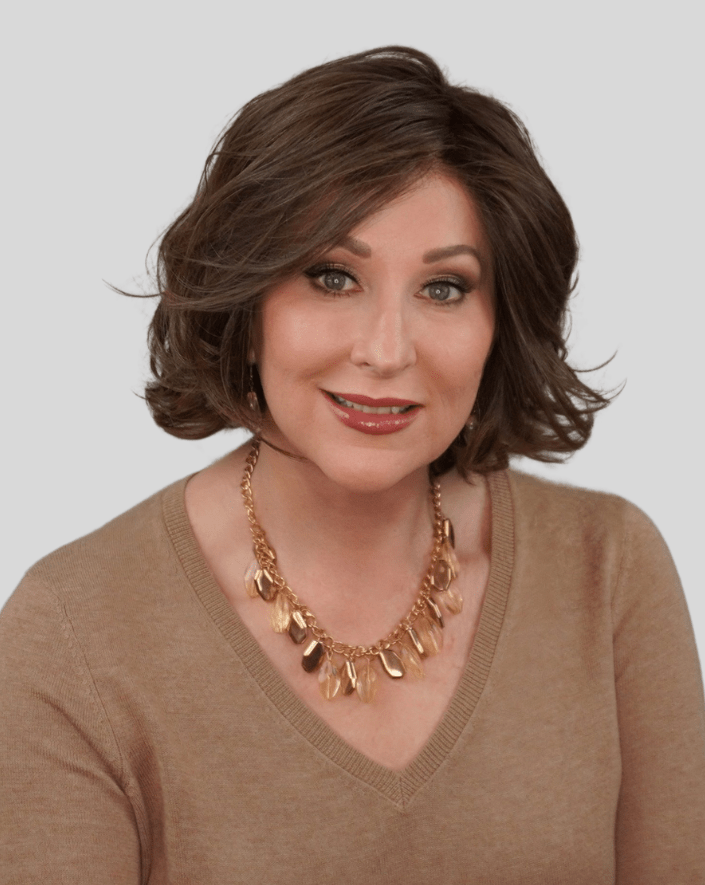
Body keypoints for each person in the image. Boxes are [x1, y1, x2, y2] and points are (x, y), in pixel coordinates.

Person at [1, 46, 703, 884]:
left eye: (443, 287)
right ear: (247, 302)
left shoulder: (607, 570)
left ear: (500, 324)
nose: (385, 349)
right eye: (331, 277)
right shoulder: (73, 630)